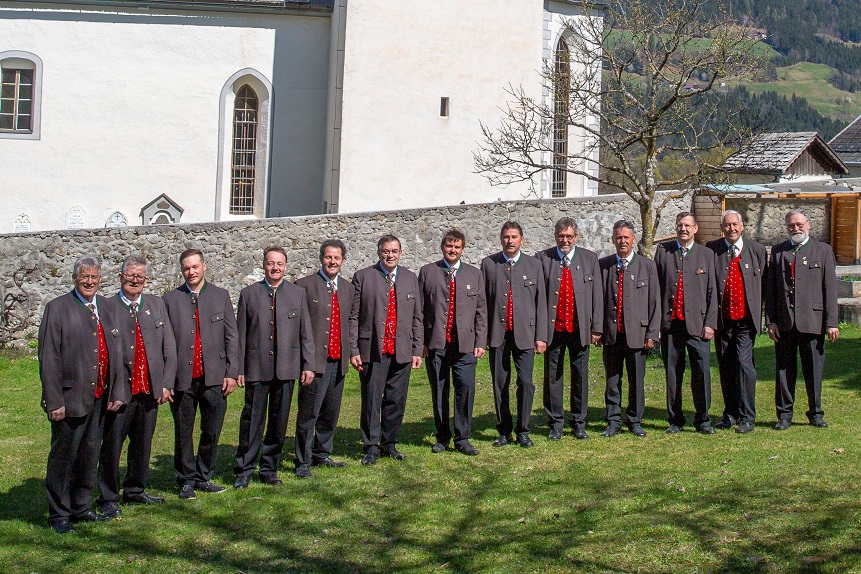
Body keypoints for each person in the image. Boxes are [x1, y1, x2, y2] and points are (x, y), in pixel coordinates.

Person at [39, 256, 124, 533]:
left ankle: (82, 506)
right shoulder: (58, 308)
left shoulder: (106, 307)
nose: (89, 282)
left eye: (94, 278)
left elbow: (117, 350)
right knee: (64, 458)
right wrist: (54, 400)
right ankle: (59, 515)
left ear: (100, 280)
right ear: (75, 278)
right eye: (84, 277)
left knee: (90, 453)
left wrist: (116, 390)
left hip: (99, 396)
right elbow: (48, 357)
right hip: (69, 397)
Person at [97, 255, 177, 518]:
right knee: (112, 446)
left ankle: (135, 490)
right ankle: (108, 496)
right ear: (120, 277)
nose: (134, 280)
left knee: (143, 443)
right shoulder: (107, 307)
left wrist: (165, 384)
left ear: (145, 280)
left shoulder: (156, 304)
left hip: (149, 390)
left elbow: (169, 346)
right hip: (120, 393)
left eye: (139, 277)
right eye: (130, 276)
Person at [234, 246, 315, 486]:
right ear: (264, 265)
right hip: (256, 367)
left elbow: (305, 333)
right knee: (252, 421)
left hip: (287, 367)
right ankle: (244, 470)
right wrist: (239, 368)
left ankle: (269, 469)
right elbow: (241, 334)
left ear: (285, 266)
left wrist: (308, 364)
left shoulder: (297, 294)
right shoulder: (249, 294)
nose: (275, 268)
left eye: (279, 264)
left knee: (279, 422)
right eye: (271, 263)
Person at [164, 248, 239, 500]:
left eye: (195, 267)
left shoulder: (220, 296)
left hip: (215, 377)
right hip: (182, 378)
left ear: (204, 266)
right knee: (184, 431)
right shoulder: (171, 299)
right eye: (186, 268)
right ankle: (185, 479)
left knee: (211, 429)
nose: (191, 272)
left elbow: (232, 337)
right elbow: (166, 343)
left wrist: (231, 372)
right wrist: (167, 380)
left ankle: (203, 475)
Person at [350, 235, 423, 465]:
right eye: (385, 251)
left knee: (396, 400)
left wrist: (417, 349)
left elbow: (417, 317)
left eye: (394, 251)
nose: (390, 255)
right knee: (372, 399)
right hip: (372, 349)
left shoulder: (410, 278)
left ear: (401, 253)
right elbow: (353, 316)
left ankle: (389, 443)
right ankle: (371, 446)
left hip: (401, 349)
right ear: (379, 252)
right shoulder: (363, 277)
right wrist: (354, 349)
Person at [765, 208, 839, 430]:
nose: (795, 229)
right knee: (784, 370)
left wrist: (831, 322)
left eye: (799, 225)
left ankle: (815, 412)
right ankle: (784, 414)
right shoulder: (778, 252)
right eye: (791, 225)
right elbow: (771, 290)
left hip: (813, 322)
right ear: (786, 227)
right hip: (785, 323)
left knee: (813, 370)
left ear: (808, 224)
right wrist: (771, 321)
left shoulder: (823, 251)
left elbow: (830, 289)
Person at [418, 229, 487, 455]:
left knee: (465, 389)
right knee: (439, 390)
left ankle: (462, 437)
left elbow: (481, 311)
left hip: (465, 344)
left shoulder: (474, 275)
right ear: (442, 247)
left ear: (462, 250)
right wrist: (422, 343)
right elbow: (419, 311)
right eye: (449, 246)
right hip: (437, 343)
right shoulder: (428, 273)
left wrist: (480, 340)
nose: (453, 250)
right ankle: (442, 436)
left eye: (457, 247)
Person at [481, 221, 547, 448]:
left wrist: (541, 336)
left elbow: (542, 303)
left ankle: (523, 430)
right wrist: (484, 336)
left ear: (522, 240)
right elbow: (484, 303)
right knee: (500, 383)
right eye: (506, 237)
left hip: (525, 334)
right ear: (501, 239)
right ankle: (504, 430)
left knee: (526, 383)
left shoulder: (534, 265)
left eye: (514, 237)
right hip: (498, 334)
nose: (510, 241)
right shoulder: (489, 264)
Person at [535, 217, 602, 440]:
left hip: (579, 329)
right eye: (561, 236)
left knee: (580, 375)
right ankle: (555, 422)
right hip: (553, 330)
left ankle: (578, 422)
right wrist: (539, 333)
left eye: (569, 236)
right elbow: (538, 298)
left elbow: (597, 297)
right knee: (553, 376)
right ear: (555, 237)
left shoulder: (590, 258)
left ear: (576, 237)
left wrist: (597, 328)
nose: (565, 240)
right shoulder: (543, 259)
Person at [294, 240, 355, 477]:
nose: (332, 262)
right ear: (321, 258)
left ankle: (322, 453)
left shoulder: (348, 289)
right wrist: (305, 361)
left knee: (330, 412)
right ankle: (302, 461)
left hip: (338, 360)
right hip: (314, 363)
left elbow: (351, 321)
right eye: (328, 257)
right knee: (308, 414)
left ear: (342, 260)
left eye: (337, 258)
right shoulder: (304, 286)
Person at [654, 212, 718, 434]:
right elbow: (656, 291)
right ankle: (675, 419)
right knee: (673, 375)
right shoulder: (663, 252)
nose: (683, 229)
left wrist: (710, 323)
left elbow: (713, 292)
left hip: (698, 326)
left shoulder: (707, 255)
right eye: (680, 225)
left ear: (695, 229)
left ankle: (703, 420)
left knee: (701, 373)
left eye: (687, 225)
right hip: (671, 326)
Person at [706, 210, 768, 433]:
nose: (731, 229)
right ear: (722, 228)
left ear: (742, 226)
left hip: (745, 320)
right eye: (727, 225)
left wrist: (766, 318)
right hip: (722, 320)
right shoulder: (712, 250)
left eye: (735, 224)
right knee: (726, 366)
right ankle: (730, 413)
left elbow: (764, 286)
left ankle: (747, 416)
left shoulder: (758, 251)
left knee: (744, 365)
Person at [597, 221, 660, 437]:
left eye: (626, 237)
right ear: (613, 239)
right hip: (612, 334)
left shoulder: (647, 266)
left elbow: (654, 302)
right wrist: (598, 329)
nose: (622, 241)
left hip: (638, 335)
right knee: (612, 380)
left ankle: (635, 420)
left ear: (634, 239)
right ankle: (613, 420)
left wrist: (652, 333)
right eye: (618, 237)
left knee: (636, 381)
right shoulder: (603, 265)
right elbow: (598, 301)